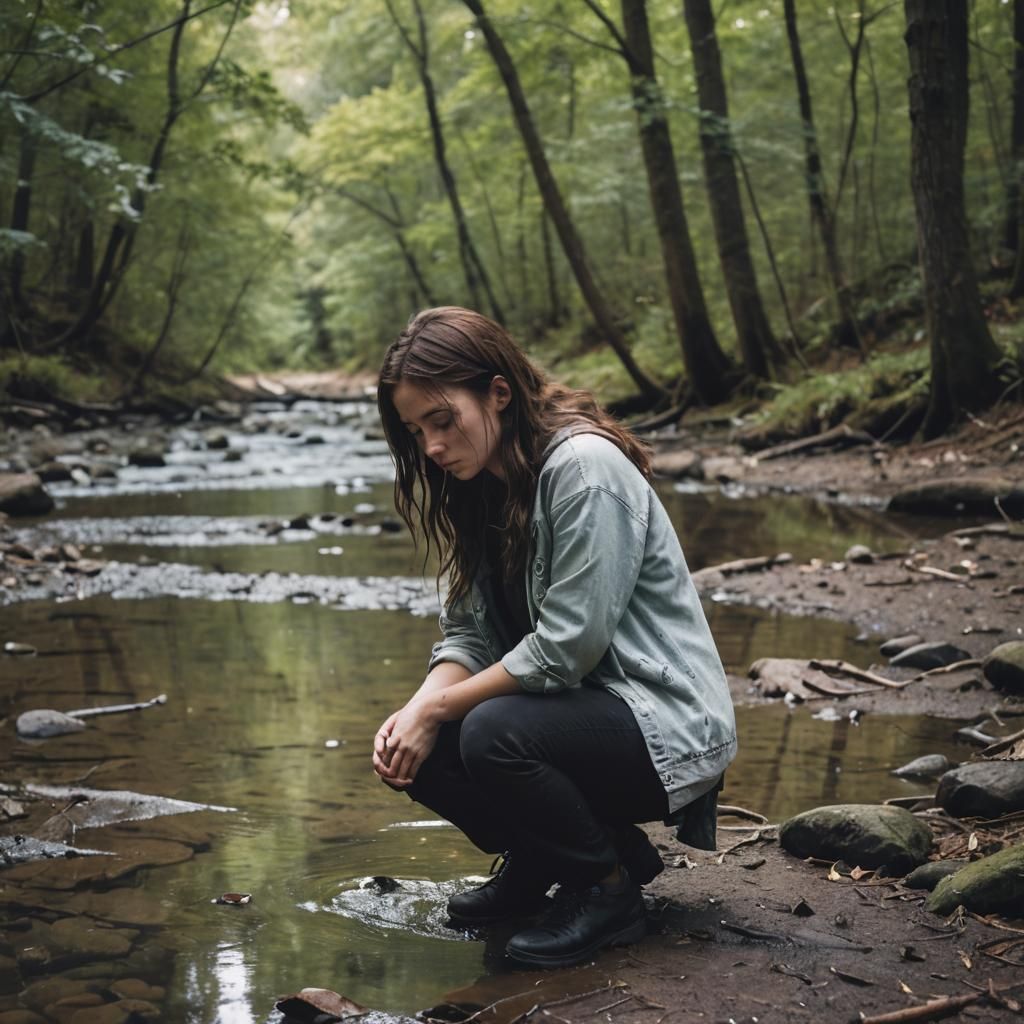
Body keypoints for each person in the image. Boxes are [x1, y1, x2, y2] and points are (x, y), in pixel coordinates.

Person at [372, 307, 737, 968]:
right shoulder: (480, 486)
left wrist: (440, 709)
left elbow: (568, 649)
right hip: (579, 722)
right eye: (415, 429)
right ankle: (549, 856)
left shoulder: (584, 469)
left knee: (489, 731)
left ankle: (606, 891)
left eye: (442, 419)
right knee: (417, 741)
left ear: (498, 393)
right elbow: (468, 637)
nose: (430, 446)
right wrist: (420, 710)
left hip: (665, 726)